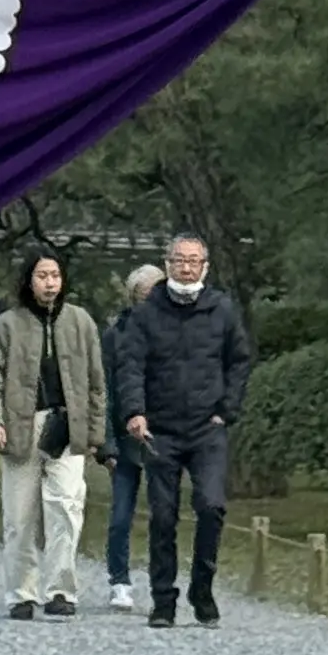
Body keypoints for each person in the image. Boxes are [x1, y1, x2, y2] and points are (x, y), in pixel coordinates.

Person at [112, 232, 251, 627]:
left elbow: (239, 361)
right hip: (161, 429)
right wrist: (135, 412)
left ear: (204, 266)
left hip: (207, 427)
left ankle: (202, 590)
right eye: (179, 260)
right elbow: (130, 366)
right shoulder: (146, 313)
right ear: (167, 264)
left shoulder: (222, 309)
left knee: (211, 505)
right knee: (162, 516)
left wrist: (227, 410)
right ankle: (163, 601)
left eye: (193, 261)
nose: (186, 268)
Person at [0, 249, 104, 618]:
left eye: (55, 275)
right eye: (42, 276)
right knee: (19, 516)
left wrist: (94, 434)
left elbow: (97, 383)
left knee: (66, 508)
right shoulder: (5, 325)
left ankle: (61, 591)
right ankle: (21, 593)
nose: (50, 283)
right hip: (21, 426)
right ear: (28, 280)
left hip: (68, 426)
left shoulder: (81, 322)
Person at [99, 264, 161, 607]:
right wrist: (106, 444)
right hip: (124, 439)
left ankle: (161, 580)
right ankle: (119, 579)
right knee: (121, 514)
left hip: (162, 437)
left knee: (163, 515)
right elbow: (105, 391)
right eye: (145, 295)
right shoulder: (115, 336)